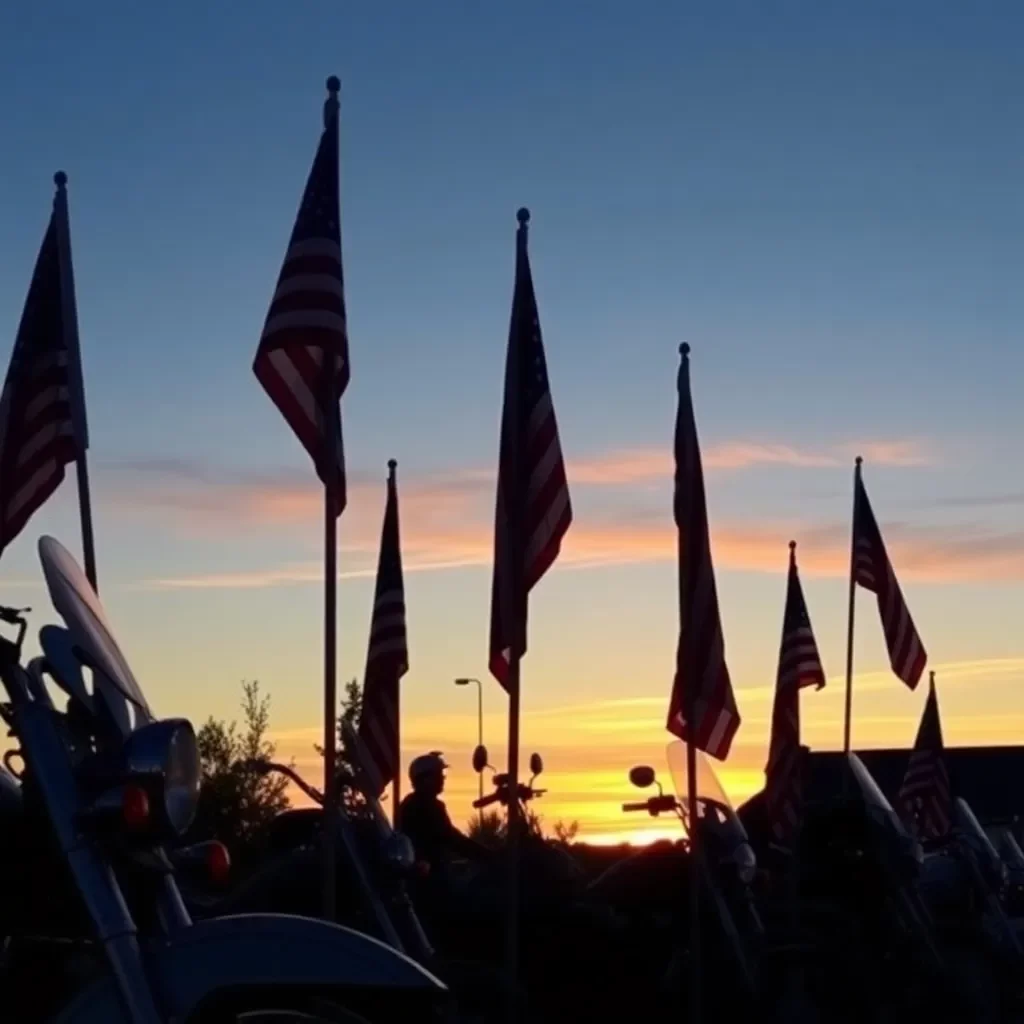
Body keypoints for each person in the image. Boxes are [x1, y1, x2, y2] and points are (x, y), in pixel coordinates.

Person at [398, 752, 491, 884]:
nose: (442, 779)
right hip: (428, 878)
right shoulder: (427, 806)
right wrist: (486, 855)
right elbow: (451, 838)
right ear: (425, 779)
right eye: (438, 775)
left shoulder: (410, 803)